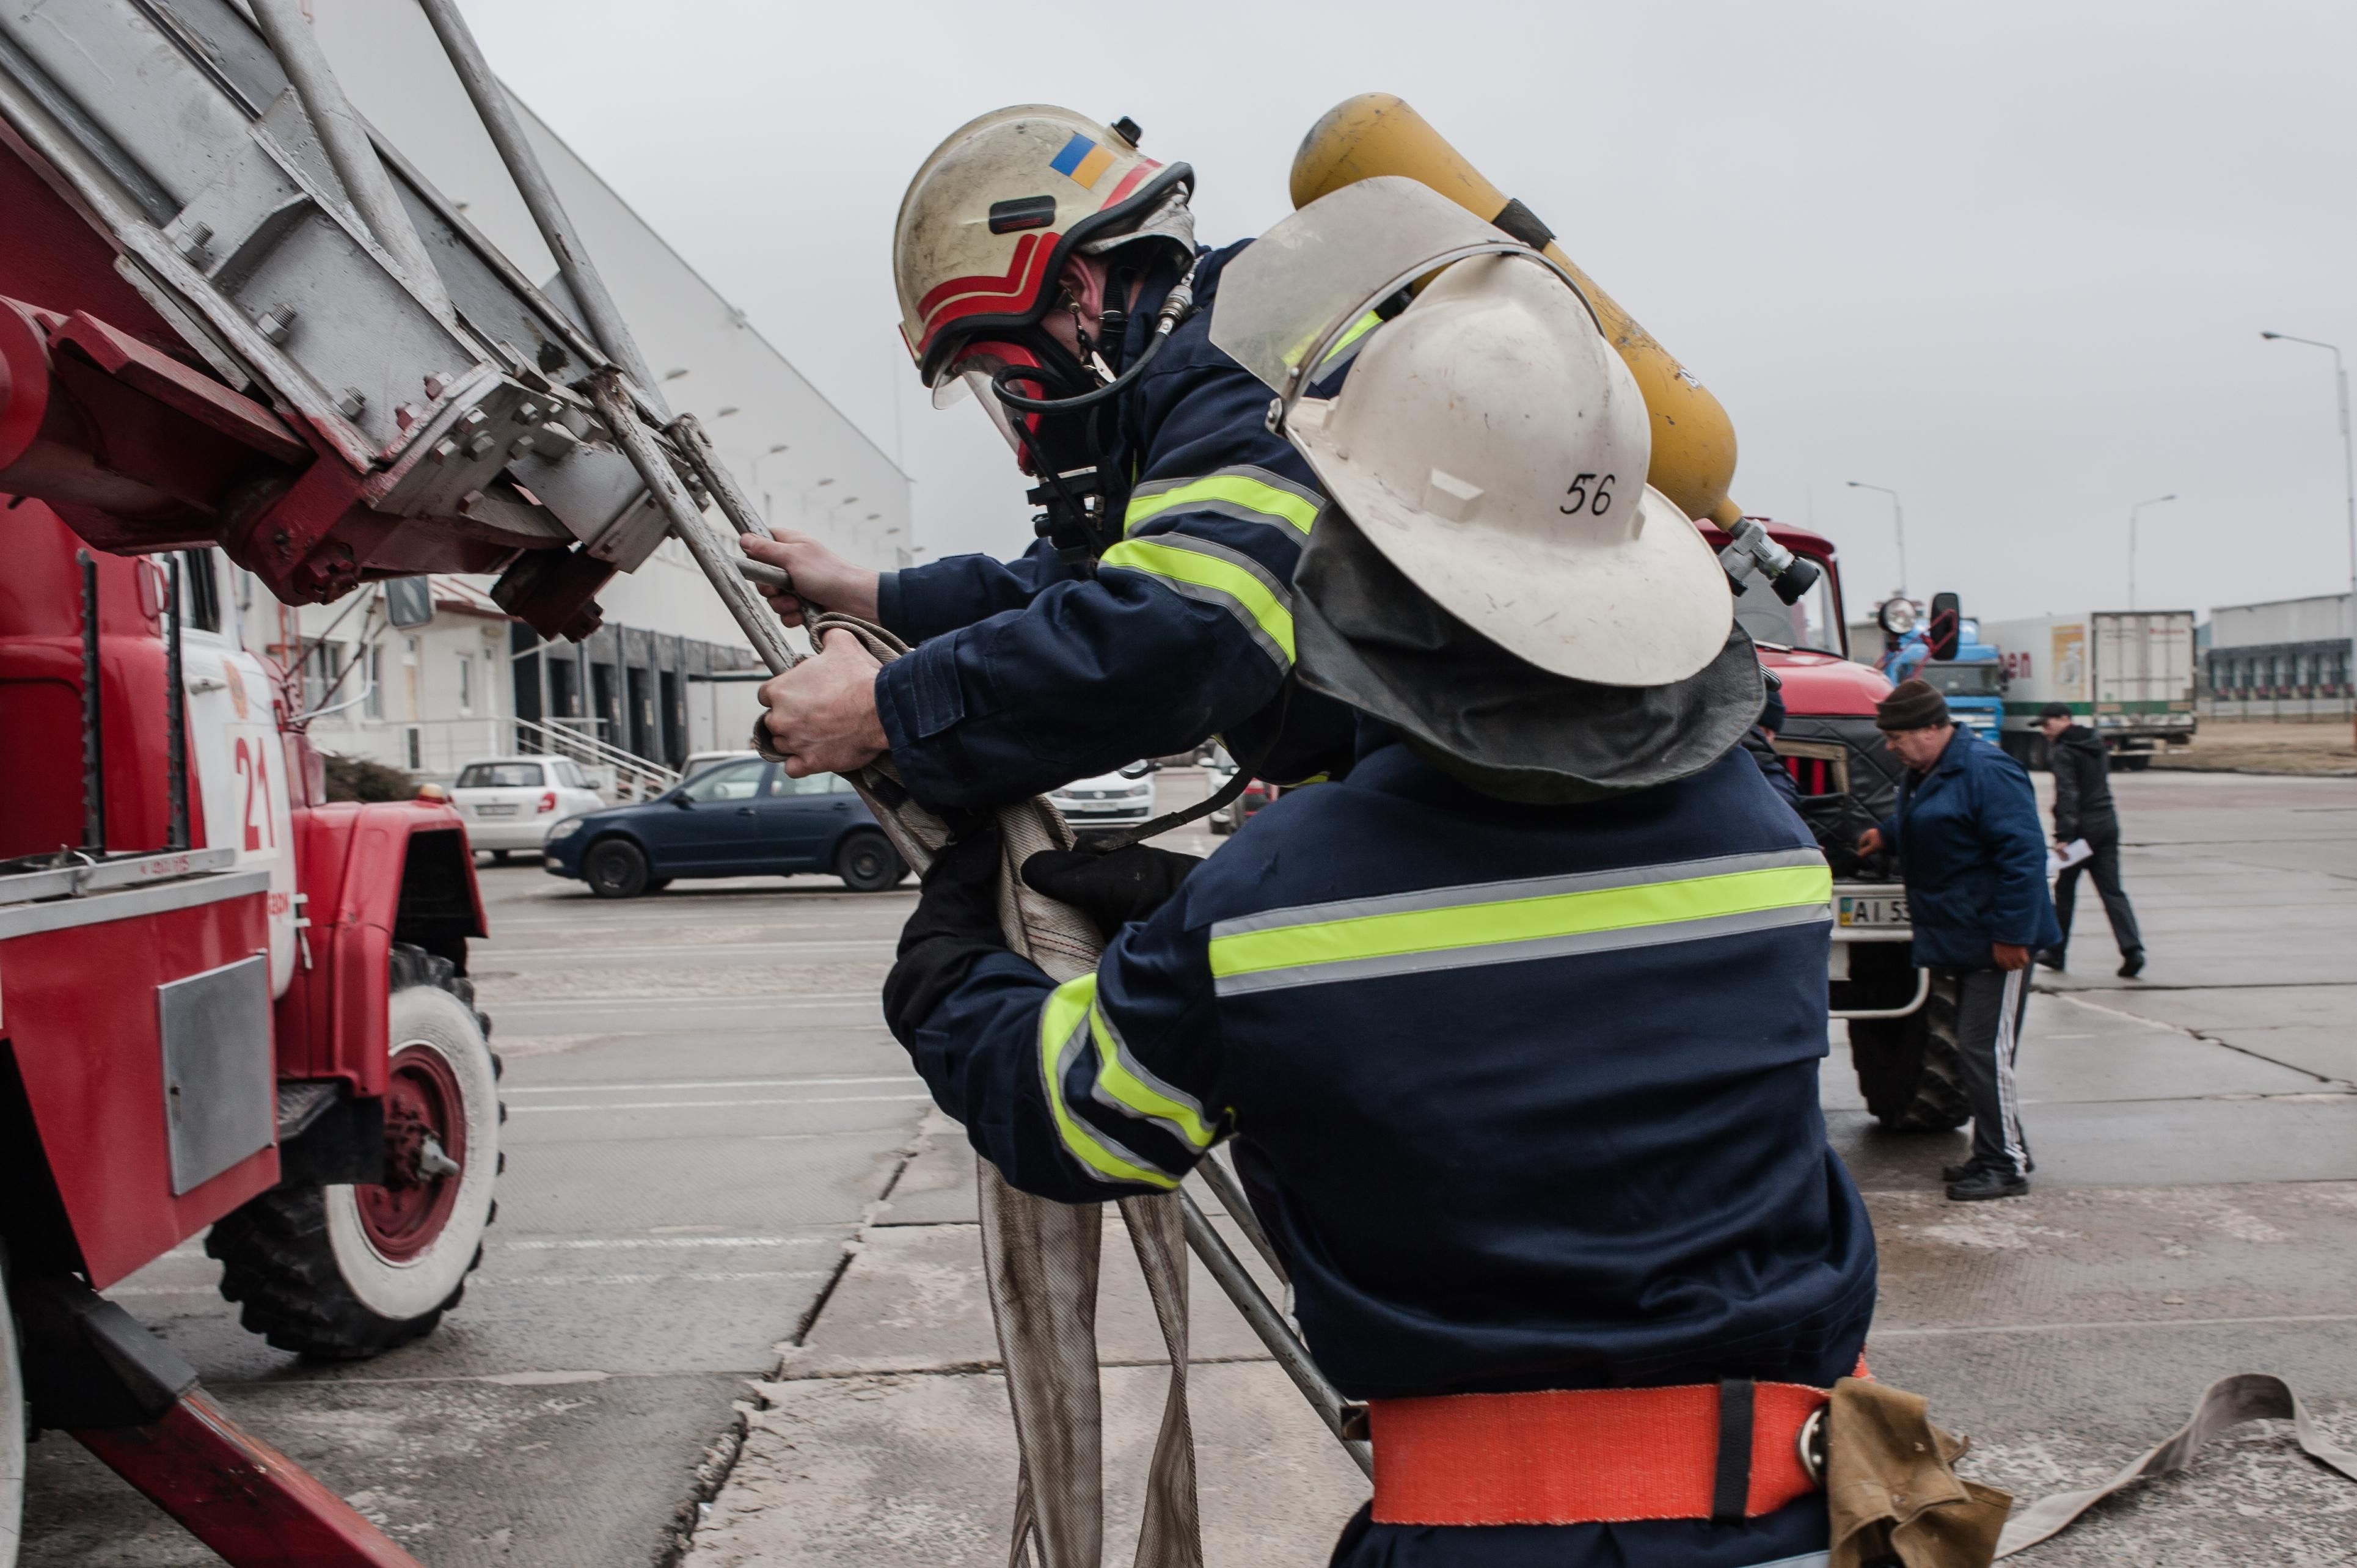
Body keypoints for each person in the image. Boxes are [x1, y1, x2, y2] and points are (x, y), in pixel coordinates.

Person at [883, 209, 1878, 1568]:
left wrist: (951, 959)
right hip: (1798, 1520)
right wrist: (1219, 929)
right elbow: (1522, 957)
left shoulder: (1278, 904)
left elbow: (1073, 1113)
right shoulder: (1763, 844)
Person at [745, 107, 1353, 811]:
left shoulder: (1249, 348)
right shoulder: (1199, 370)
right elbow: (1079, 578)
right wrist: (870, 593)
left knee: (1178, 926)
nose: (1024, 430)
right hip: (1415, 798)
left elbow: (1186, 633)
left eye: (1005, 377)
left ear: (1075, 291)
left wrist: (883, 708)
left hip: (1459, 814)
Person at [1856, 679, 2061, 1202]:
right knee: (1977, 1051)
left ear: (1933, 727)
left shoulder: (1987, 771)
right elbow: (1939, 822)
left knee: (1983, 1050)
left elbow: (2022, 858)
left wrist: (2014, 935)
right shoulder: (1929, 771)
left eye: (1898, 736)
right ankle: (2000, 1147)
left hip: (1998, 940)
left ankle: (2005, 1164)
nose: (1890, 746)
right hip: (1965, 936)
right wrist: (1888, 833)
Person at [2036, 701, 2144, 979]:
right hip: (2107, 822)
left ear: (2064, 720)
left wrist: (2064, 835)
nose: (2046, 732)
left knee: (2065, 891)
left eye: (2048, 725)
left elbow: (2068, 793)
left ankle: (2056, 952)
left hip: (2082, 830)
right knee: (2112, 891)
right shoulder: (2094, 741)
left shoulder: (2063, 751)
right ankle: (2132, 950)